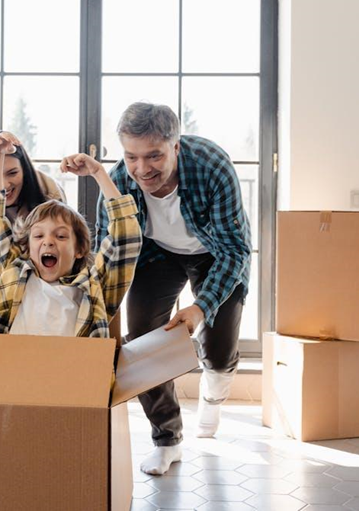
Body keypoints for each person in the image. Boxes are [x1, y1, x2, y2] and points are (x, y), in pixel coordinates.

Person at [94, 103, 252, 475]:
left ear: (176, 146)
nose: (142, 168)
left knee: (218, 348)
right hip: (156, 254)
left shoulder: (212, 166)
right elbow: (108, 248)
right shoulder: (119, 180)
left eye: (154, 156)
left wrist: (200, 307)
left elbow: (236, 250)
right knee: (143, 341)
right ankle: (167, 440)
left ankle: (214, 392)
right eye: (131, 156)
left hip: (214, 251)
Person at [0, 132, 141, 337]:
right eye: (38, 236)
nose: (48, 242)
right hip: (16, 367)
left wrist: (98, 172)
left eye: (61, 236)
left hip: (71, 368)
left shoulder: (93, 288)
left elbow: (126, 240)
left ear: (79, 250)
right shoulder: (13, 276)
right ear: (26, 247)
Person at [0, 131, 64, 311]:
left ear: (25, 169)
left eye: (12, 173)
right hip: (0, 282)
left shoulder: (48, 191)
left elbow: (61, 258)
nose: (5, 184)